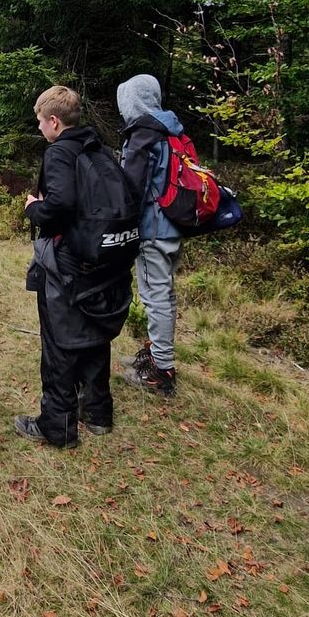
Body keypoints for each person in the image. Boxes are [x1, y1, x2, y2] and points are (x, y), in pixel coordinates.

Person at [15, 85, 136, 449]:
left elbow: (61, 204)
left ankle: (57, 425)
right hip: (104, 260)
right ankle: (98, 413)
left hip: (69, 262)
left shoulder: (59, 153)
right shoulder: (100, 148)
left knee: (58, 342)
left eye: (39, 121)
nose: (38, 128)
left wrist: (33, 208)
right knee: (95, 334)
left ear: (53, 121)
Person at [116, 74, 183, 395]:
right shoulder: (168, 128)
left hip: (153, 230)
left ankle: (162, 371)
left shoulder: (143, 134)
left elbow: (131, 189)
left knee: (156, 298)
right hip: (172, 225)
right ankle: (156, 355)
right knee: (163, 295)